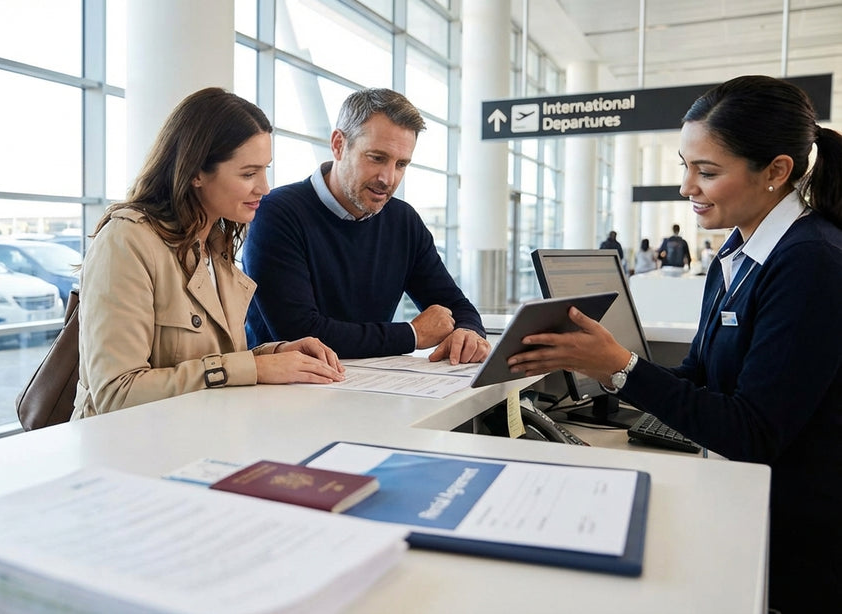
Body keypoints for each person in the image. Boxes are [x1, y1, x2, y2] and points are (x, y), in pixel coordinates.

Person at [506, 75, 842, 613]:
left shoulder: (813, 262)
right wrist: (610, 363)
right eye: (684, 166)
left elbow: (753, 433)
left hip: (796, 548)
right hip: (746, 509)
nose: (687, 187)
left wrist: (621, 368)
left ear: (777, 171)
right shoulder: (737, 251)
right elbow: (700, 375)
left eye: (706, 171)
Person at [71, 88, 344, 417]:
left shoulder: (215, 243)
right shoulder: (127, 242)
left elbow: (209, 362)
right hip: (131, 451)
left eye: (264, 169)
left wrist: (276, 356)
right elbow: (116, 393)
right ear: (196, 172)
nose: (264, 187)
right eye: (248, 173)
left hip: (198, 436)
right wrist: (255, 369)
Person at [242, 88, 490, 365]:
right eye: (376, 158)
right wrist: (412, 334)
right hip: (285, 391)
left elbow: (455, 305)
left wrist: (467, 332)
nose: (388, 178)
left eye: (401, 164)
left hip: (372, 385)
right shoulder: (276, 213)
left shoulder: (403, 220)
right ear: (338, 145)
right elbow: (300, 333)